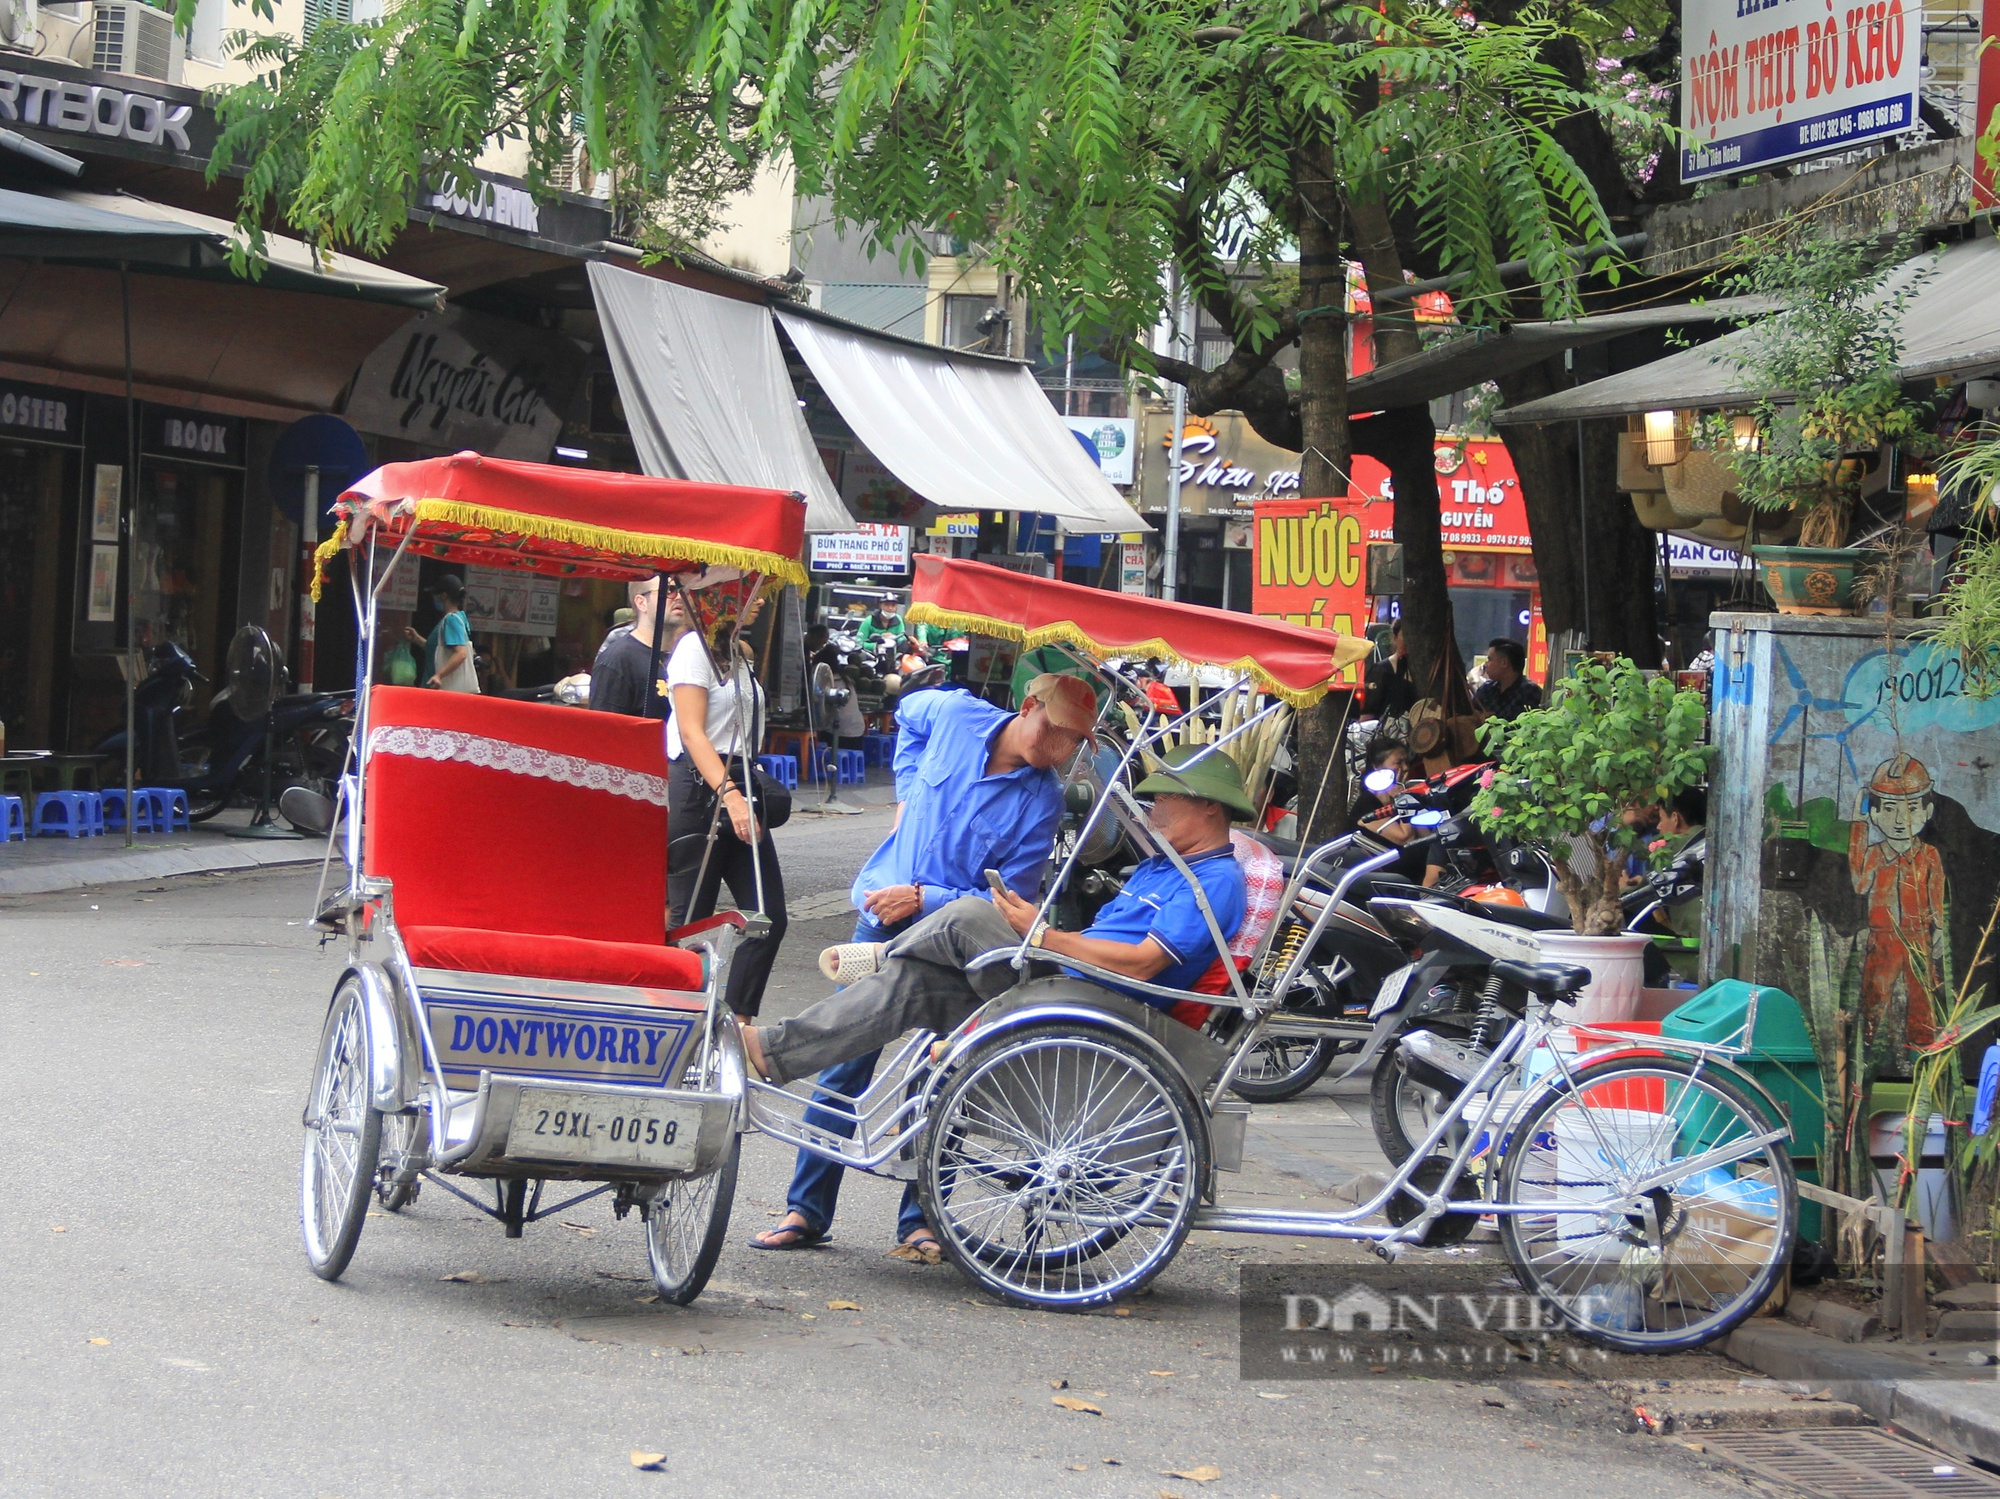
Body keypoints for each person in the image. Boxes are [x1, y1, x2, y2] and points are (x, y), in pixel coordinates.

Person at [748, 672, 1096, 1260]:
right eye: (1055, 732)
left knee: (937, 1078)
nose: (1059, 751)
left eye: (1073, 744)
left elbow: (1008, 902)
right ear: (1028, 706)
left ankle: (921, 1218)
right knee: (843, 1065)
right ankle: (805, 1209)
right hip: (880, 915)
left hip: (953, 945)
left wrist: (926, 897)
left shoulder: (1042, 800)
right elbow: (908, 714)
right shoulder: (957, 715)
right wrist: (907, 790)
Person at [739, 744, 1253, 1092]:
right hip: (1068, 979)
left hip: (1100, 1001)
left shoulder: (1213, 882)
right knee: (910, 983)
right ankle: (772, 1050)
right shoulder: (1160, 866)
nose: (1154, 811)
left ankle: (884, 950)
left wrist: (1043, 934)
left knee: (967, 911)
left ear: (1208, 807)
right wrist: (1044, 933)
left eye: (1165, 799)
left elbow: (1141, 965)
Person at [665, 570, 785, 1019]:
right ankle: (675, 1016)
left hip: (739, 778)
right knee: (691, 918)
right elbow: (693, 733)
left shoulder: (737, 652)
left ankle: (738, 1020)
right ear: (719, 599)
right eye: (748, 593)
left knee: (768, 916)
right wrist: (730, 795)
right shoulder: (693, 648)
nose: (758, 602)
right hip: (701, 788)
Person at [590, 574, 683, 717]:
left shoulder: (689, 653)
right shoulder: (618, 660)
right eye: (669, 590)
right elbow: (604, 731)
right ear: (641, 603)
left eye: (683, 590)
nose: (679, 597)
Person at [402, 573, 480, 693]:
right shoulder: (456, 618)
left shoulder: (451, 620)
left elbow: (461, 653)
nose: (434, 598)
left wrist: (439, 675)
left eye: (436, 595)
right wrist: (417, 639)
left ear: (443, 596)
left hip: (440, 689)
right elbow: (440, 650)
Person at [1473, 638, 1541, 721]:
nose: (1486, 664)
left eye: (1490, 659)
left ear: (1504, 663)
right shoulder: (1486, 690)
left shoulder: (1530, 692)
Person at [1363, 620, 1418, 722]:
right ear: (1395, 638)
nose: (1410, 640)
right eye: (1405, 635)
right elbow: (1369, 713)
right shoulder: (1381, 670)